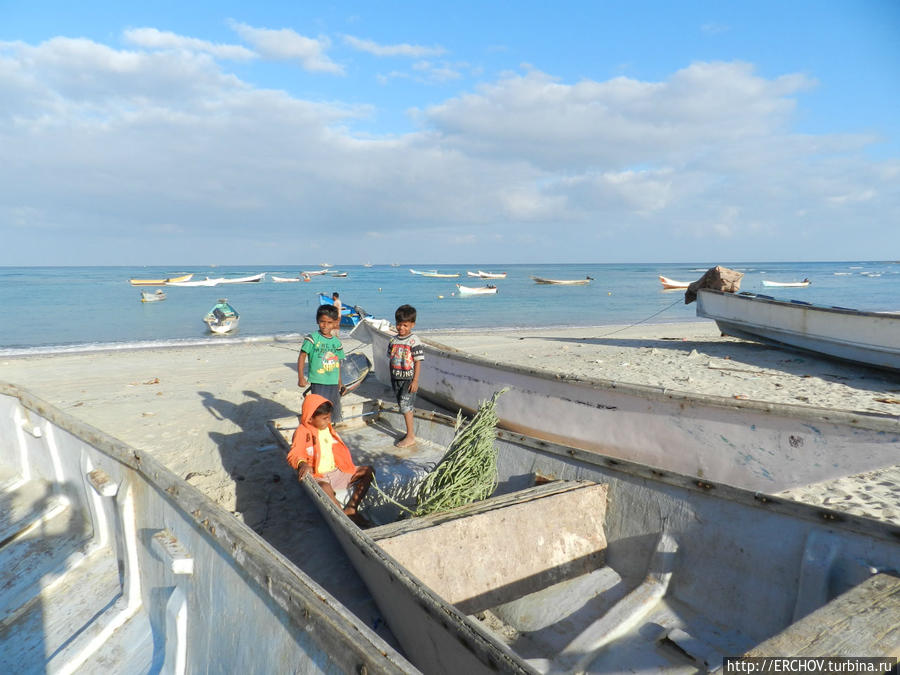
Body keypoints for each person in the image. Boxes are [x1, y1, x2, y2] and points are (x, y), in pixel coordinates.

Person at [287, 395, 373, 520]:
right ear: (310, 418)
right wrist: (302, 463)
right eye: (325, 418)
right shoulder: (302, 432)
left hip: (336, 472)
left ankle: (351, 508)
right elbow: (294, 453)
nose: (329, 421)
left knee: (368, 471)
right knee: (325, 488)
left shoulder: (327, 428)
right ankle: (345, 518)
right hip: (319, 477)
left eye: (329, 417)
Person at [298, 304, 345, 421]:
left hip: (333, 382)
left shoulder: (337, 342)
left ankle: (330, 428)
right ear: (317, 321)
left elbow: (337, 362)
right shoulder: (312, 338)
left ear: (335, 323)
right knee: (319, 408)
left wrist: (340, 382)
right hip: (318, 381)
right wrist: (301, 377)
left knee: (333, 408)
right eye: (322, 321)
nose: (325, 325)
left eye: (329, 322)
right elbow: (302, 356)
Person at [387, 304, 424, 448]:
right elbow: (390, 358)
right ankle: (409, 433)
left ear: (412, 325)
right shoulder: (393, 340)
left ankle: (410, 436)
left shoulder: (413, 341)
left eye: (405, 325)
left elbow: (418, 361)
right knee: (402, 406)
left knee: (406, 406)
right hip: (396, 378)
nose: (401, 328)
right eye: (398, 324)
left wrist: (415, 380)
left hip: (408, 379)